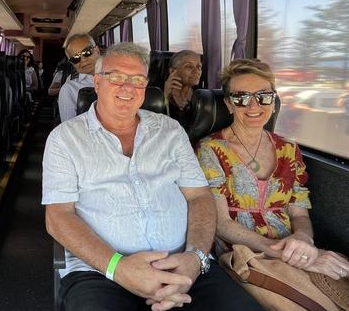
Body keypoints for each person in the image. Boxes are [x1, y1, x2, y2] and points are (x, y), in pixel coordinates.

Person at [43, 42, 261, 311]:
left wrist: (195, 258)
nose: (128, 88)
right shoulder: (64, 139)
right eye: (117, 77)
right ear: (97, 82)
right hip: (102, 272)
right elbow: (58, 216)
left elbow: (199, 196)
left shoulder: (170, 131)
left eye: (137, 80)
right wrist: (119, 268)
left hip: (183, 264)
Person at [195, 59, 349, 280]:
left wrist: (304, 240)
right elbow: (221, 223)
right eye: (241, 98)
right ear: (229, 104)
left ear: (273, 100)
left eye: (263, 96)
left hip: (293, 247)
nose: (254, 106)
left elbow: (298, 212)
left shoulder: (288, 148)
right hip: (242, 252)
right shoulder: (210, 149)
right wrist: (291, 254)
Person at [58, 33, 100, 122]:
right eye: (75, 58)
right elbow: (69, 130)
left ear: (97, 51)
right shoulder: (69, 89)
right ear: (72, 63)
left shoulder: (118, 78)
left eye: (87, 52)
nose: (83, 60)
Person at [163, 50, 202, 127]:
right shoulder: (161, 94)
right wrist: (165, 96)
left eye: (198, 67)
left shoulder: (201, 94)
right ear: (173, 71)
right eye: (189, 66)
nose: (196, 71)